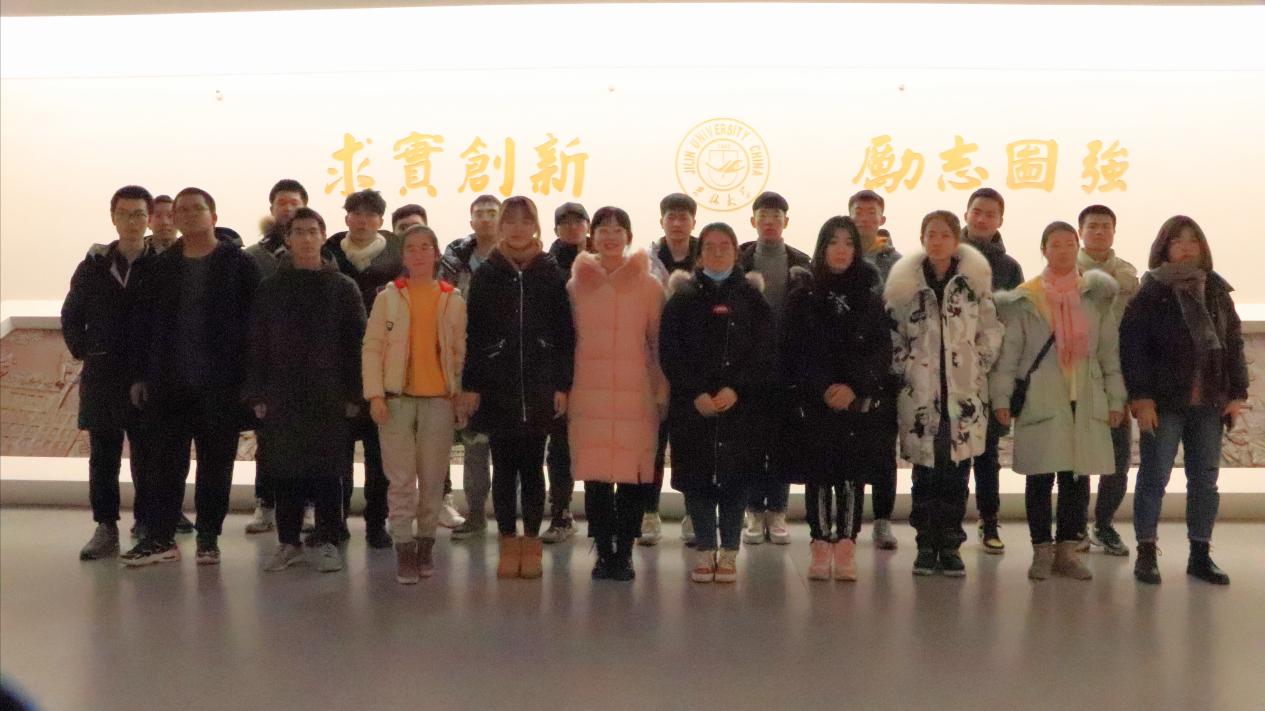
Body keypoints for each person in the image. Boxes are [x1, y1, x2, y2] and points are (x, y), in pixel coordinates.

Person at [122, 187, 260, 566]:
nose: (188, 215)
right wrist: (140, 375)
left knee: (216, 464)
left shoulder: (239, 264)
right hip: (169, 382)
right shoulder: (161, 266)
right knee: (165, 465)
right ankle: (161, 537)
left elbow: (257, 327)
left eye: (197, 209)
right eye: (181, 210)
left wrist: (253, 382)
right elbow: (144, 326)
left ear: (213, 216)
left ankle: (208, 538)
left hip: (222, 385)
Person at [990, 221, 1125, 580]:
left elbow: (1108, 353)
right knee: (1039, 478)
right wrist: (1001, 397)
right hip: (1041, 397)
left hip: (1084, 397)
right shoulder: (1026, 297)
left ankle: (1068, 551)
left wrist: (1116, 400)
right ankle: (1041, 551)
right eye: (1056, 244)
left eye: (1069, 244)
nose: (1063, 250)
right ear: (1043, 250)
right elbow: (1010, 354)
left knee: (1076, 480)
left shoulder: (1095, 297)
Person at [1121, 216, 1247, 585]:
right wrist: (1141, 398)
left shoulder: (1216, 290)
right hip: (1164, 402)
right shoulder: (1151, 292)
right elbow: (1133, 349)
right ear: (1165, 248)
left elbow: (1233, 343)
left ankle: (1200, 554)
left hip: (1209, 401)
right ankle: (1147, 551)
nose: (1187, 247)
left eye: (1193, 240)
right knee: (1154, 477)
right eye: (1178, 241)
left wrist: (1237, 392)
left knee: (1205, 481)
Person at [245, 207, 366, 574]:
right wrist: (258, 393)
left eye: (313, 231)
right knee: (285, 471)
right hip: (283, 394)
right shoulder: (271, 288)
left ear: (323, 236)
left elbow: (356, 344)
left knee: (330, 471)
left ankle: (328, 540)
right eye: (299, 232)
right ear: (288, 239)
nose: (307, 238)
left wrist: (354, 394)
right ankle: (288, 542)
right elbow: (257, 344)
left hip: (329, 394)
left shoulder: (343, 287)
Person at [884, 210, 1002, 577]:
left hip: (962, 394)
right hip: (920, 394)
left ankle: (950, 544)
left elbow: (990, 329)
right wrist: (906, 366)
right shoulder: (906, 287)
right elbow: (892, 334)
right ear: (922, 239)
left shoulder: (972, 285)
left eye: (944, 235)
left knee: (956, 473)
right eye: (930, 234)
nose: (937, 241)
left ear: (956, 240)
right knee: (925, 473)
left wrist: (976, 362)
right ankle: (925, 544)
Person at [462, 196, 575, 579]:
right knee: (504, 468)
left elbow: (564, 334)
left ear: (536, 227)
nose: (517, 228)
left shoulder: (551, 272)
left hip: (541, 384)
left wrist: (562, 384)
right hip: (498, 384)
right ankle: (508, 542)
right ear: (501, 227)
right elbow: (474, 334)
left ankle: (531, 543)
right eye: (510, 222)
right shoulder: (487, 273)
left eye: (525, 222)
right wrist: (471, 384)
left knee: (532, 468)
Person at [660, 223, 774, 583]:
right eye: (709, 247)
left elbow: (764, 350)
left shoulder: (752, 298)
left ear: (736, 253)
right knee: (697, 480)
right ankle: (705, 548)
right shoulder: (682, 298)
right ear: (699, 255)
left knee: (735, 481)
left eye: (725, 246)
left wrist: (737, 389)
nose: (717, 252)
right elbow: (670, 352)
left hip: (741, 406)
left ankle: (729, 552)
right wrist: (695, 392)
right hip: (693, 406)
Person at [782, 216, 892, 581]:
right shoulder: (804, 294)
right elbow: (794, 351)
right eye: (833, 242)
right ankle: (819, 541)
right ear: (821, 247)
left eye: (848, 243)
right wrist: (822, 388)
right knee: (819, 472)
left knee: (851, 475)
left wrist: (856, 387)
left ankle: (846, 543)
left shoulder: (870, 295)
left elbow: (881, 350)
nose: (841, 250)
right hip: (816, 400)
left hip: (856, 401)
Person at [364, 224, 468, 584]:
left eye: (426, 247)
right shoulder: (388, 297)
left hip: (439, 400)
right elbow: (372, 347)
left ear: (436, 254)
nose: (419, 254)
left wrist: (458, 396)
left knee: (433, 479)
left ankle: (426, 545)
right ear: (403, 255)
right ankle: (404, 548)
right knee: (400, 481)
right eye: (412, 248)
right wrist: (375, 394)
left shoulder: (451, 299)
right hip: (396, 400)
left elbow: (459, 352)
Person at [567, 206, 667, 580]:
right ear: (592, 236)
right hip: (588, 393)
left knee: (632, 477)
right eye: (603, 229)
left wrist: (662, 388)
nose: (610, 236)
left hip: (635, 393)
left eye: (617, 229)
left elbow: (658, 344)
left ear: (628, 236)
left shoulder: (649, 285)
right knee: (595, 478)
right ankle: (602, 552)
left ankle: (624, 551)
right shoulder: (575, 285)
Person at [64, 185, 160, 560]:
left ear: (149, 219)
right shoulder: (94, 266)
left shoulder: (162, 266)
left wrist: (154, 371)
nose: (131, 221)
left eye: (139, 214)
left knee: (147, 456)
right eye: (124, 213)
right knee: (103, 456)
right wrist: (84, 349)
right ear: (113, 217)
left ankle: (147, 524)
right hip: (103, 375)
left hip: (146, 376)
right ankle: (106, 526)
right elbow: (71, 314)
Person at [324, 189, 401, 549]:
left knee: (378, 454)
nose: (363, 221)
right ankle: (335, 522)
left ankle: (375, 523)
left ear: (381, 221)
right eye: (356, 213)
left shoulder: (397, 255)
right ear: (347, 218)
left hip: (383, 368)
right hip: (337, 366)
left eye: (371, 215)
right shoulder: (328, 254)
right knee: (335, 454)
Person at [737, 191, 810, 545]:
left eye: (776, 217)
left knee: (782, 441)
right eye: (763, 216)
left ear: (786, 222)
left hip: (787, 367)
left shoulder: (802, 263)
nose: (769, 222)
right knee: (751, 441)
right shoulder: (739, 260)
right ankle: (753, 510)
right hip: (748, 367)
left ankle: (778, 510)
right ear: (753, 221)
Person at [390, 203, 465, 531]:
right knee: (400, 464)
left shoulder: (447, 287)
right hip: (398, 389)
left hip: (437, 387)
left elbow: (457, 343)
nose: (416, 248)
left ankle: (440, 505)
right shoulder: (387, 289)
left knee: (435, 460)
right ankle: (401, 518)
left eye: (418, 230)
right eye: (404, 230)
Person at [243, 178, 309, 535]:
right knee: (267, 441)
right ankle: (265, 504)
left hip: (311, 363)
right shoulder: (253, 256)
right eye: (281, 202)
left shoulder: (319, 252)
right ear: (271, 209)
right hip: (269, 361)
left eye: (294, 202)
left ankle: (308, 506)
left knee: (309, 440)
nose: (288, 208)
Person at [960, 187, 1023, 553]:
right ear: (966, 214)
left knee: (987, 453)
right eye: (977, 211)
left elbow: (1015, 323)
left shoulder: (1009, 267)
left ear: (1001, 220)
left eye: (991, 214)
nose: (983, 219)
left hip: (993, 371)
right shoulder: (948, 255)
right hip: (952, 370)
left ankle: (989, 520)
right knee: (951, 453)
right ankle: (948, 525)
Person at [1075, 204, 1139, 556]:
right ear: (1081, 231)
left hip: (1118, 375)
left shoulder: (1129, 276)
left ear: (1114, 232)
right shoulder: (1066, 271)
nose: (1099, 232)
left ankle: (1104, 524)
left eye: (1105, 226)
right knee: (1077, 461)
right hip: (1077, 376)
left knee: (1117, 459)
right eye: (1092, 226)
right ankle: (1075, 528)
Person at [441, 194, 501, 540]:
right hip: (465, 360)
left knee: (508, 450)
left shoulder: (516, 256)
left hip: (507, 364)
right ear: (471, 220)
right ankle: (475, 514)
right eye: (481, 213)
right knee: (474, 445)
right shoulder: (455, 261)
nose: (487, 219)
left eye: (493, 213)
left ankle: (511, 521)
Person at [643, 192, 700, 546]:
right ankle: (649, 513)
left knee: (691, 445)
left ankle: (694, 513)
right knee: (653, 443)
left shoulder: (706, 257)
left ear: (694, 221)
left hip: (695, 365)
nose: (677, 223)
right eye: (671, 217)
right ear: (661, 221)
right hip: (654, 364)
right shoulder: (646, 262)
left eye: (683, 217)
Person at [847, 189, 901, 550]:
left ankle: (882, 520)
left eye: (871, 213)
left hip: (884, 368)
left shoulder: (897, 263)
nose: (864, 218)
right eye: (858, 212)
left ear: (882, 219)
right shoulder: (838, 255)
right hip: (846, 369)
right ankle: (848, 522)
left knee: (883, 449)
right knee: (848, 447)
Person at [542, 201, 589, 544]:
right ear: (556, 229)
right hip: (557, 365)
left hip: (597, 365)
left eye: (578, 222)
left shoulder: (602, 263)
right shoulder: (545, 266)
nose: (572, 228)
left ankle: (604, 516)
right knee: (559, 445)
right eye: (565, 223)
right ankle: (560, 513)